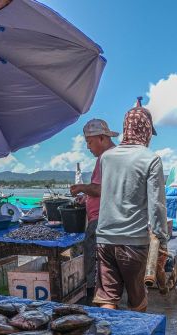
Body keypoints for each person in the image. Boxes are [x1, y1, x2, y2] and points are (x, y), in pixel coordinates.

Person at [94, 104, 168, 312]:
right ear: (145, 130)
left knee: (107, 299)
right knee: (137, 303)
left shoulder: (106, 157)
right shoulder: (151, 159)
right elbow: (157, 205)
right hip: (133, 243)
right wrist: (161, 242)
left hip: (104, 240)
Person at [70, 119, 118, 303]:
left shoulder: (105, 158)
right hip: (105, 217)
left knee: (94, 263)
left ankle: (92, 301)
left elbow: (100, 189)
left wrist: (81, 188)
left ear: (101, 138)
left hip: (99, 221)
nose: (88, 147)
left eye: (89, 142)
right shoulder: (113, 156)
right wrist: (87, 198)